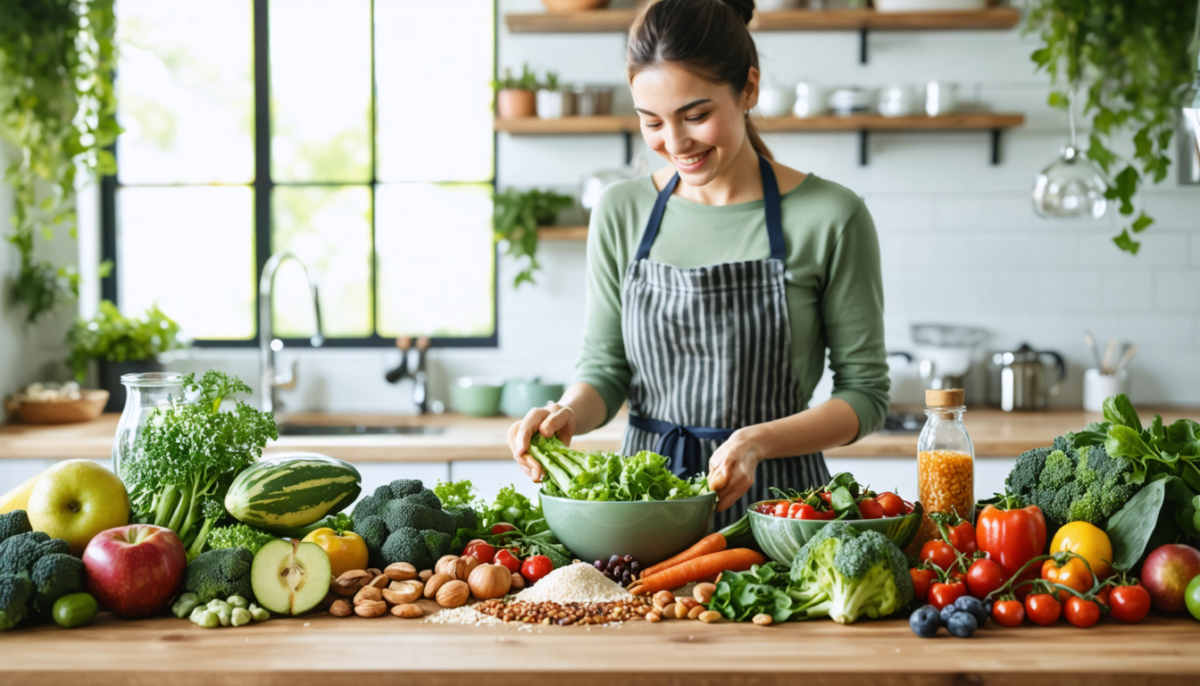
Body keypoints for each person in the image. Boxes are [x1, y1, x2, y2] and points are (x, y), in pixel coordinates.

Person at [507, 0, 889, 528]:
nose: (675, 143)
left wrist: (758, 440)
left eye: (696, 116)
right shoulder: (621, 211)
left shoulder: (831, 216)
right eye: (652, 121)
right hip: (646, 513)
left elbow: (865, 395)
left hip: (782, 511)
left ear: (748, 88)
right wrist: (567, 411)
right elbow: (604, 370)